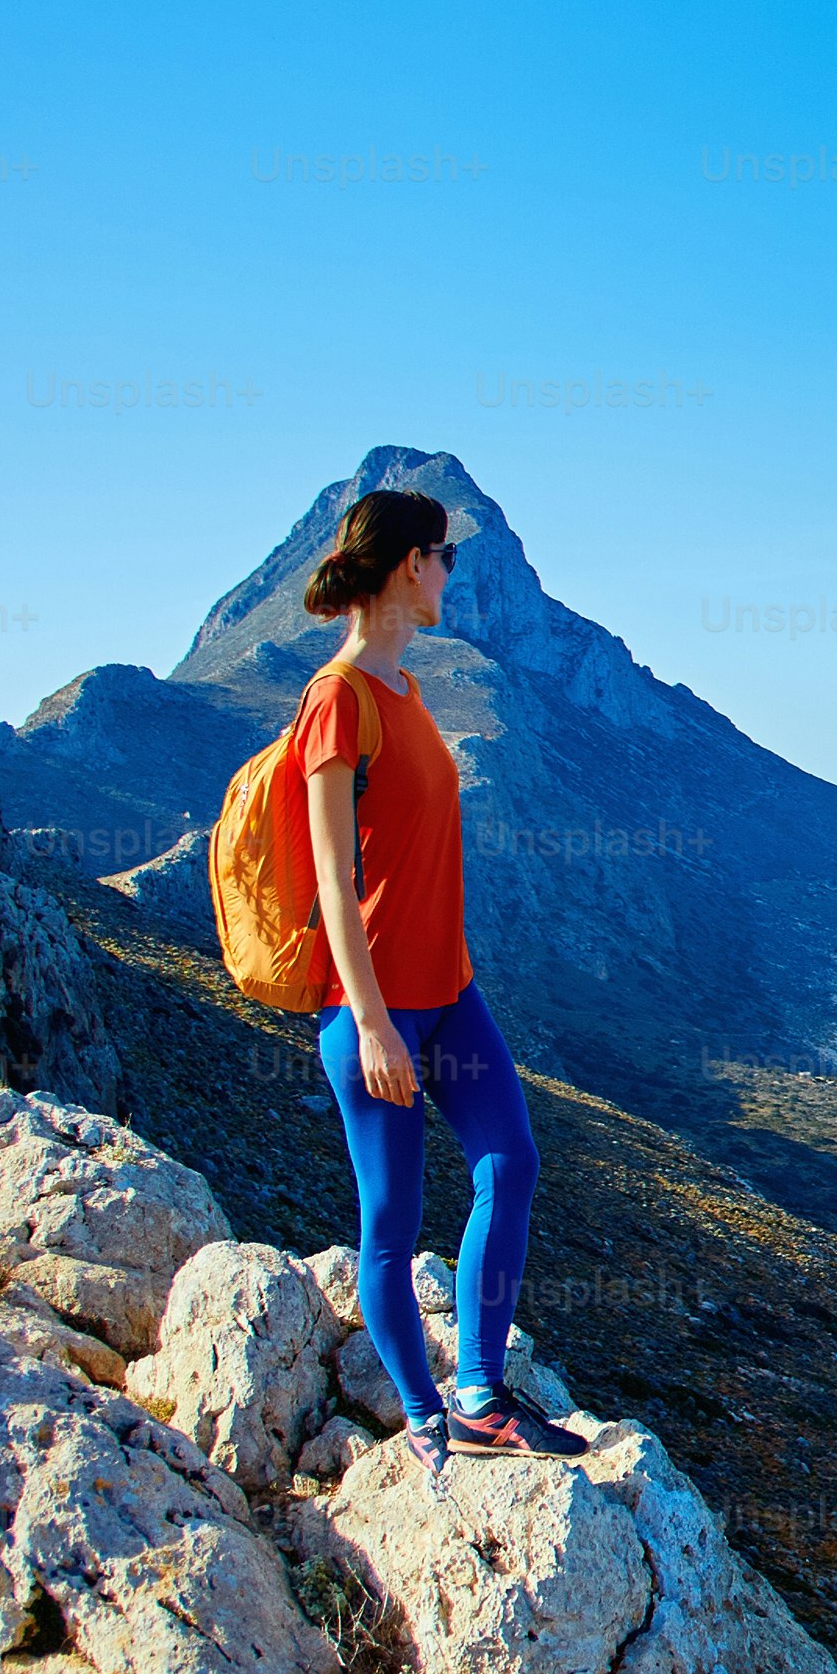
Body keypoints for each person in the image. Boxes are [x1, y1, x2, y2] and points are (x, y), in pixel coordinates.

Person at [294, 488, 583, 1475]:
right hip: (375, 1008)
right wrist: (373, 1025)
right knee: (391, 1221)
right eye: (445, 558)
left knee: (511, 1163)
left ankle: (480, 1394)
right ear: (411, 564)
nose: (453, 577)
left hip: (449, 989)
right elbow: (333, 875)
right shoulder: (338, 700)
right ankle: (426, 1416)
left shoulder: (411, 695)